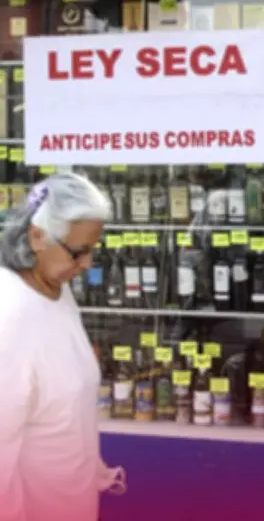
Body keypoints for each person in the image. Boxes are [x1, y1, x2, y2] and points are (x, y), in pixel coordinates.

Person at [0, 173, 126, 521]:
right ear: (36, 236)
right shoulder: (10, 315)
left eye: (92, 250)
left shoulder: (56, 289)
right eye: (78, 252)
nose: (87, 264)